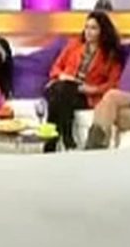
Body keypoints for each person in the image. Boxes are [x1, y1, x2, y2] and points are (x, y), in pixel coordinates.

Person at [44, 11, 123, 152]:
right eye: (86, 27)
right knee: (63, 89)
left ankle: (51, 143)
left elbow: (114, 83)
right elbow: (55, 68)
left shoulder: (110, 55)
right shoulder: (74, 46)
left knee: (58, 96)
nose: (88, 32)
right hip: (63, 87)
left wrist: (93, 89)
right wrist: (62, 76)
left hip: (84, 95)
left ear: (102, 31)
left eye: (93, 28)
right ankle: (67, 137)